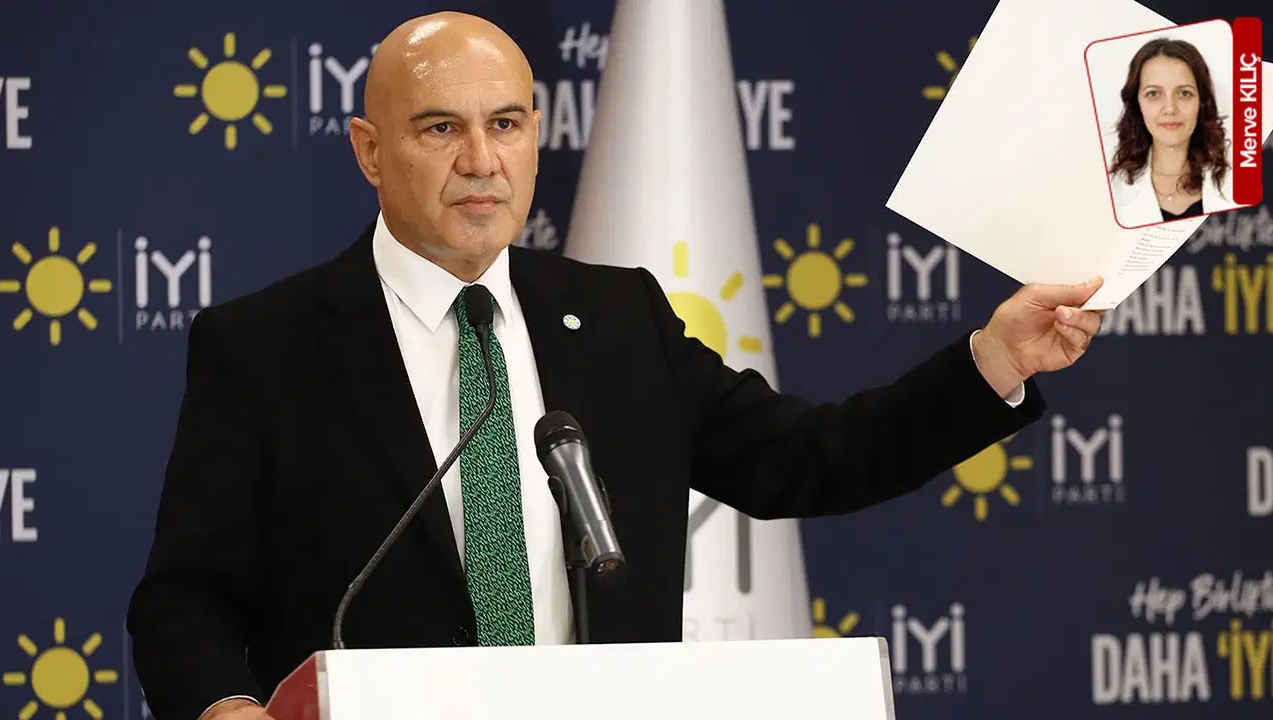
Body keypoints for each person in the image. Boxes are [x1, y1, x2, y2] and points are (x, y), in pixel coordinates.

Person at [125, 11, 1105, 720]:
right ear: (370, 151)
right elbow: (184, 598)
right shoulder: (265, 347)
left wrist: (989, 362)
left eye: (507, 123)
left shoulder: (616, 318)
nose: (482, 160)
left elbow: (810, 458)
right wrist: (227, 710)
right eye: (441, 128)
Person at [1106, 36, 1234, 226]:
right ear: (1137, 104)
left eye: (1184, 93)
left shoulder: (1241, 178)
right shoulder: (1111, 191)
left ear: (1201, 102)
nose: (1170, 108)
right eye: (1153, 94)